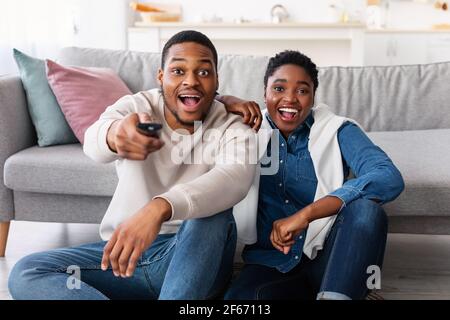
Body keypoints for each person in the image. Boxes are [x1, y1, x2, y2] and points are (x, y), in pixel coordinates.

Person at [8, 30, 257, 300]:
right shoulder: (137, 107)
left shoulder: (232, 124)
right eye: (178, 71)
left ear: (217, 80)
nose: (191, 81)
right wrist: (115, 135)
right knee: (28, 271)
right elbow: (95, 139)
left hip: (196, 260)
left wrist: (160, 207)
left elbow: (234, 176)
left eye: (204, 73)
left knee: (214, 214)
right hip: (126, 260)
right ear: (161, 77)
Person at [218, 50, 405, 300]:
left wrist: (305, 215)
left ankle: (337, 293)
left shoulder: (337, 130)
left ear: (313, 96)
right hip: (269, 264)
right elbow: (190, 102)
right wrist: (224, 99)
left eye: (302, 90)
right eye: (279, 89)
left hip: (330, 258)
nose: (290, 99)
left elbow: (388, 176)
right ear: (264, 94)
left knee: (366, 211)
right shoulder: (245, 130)